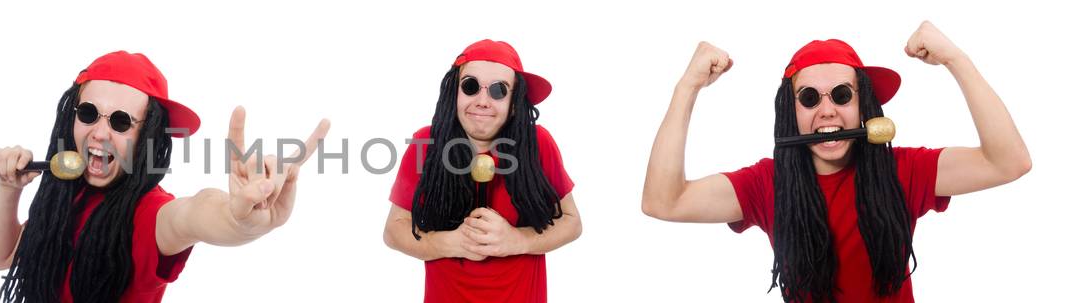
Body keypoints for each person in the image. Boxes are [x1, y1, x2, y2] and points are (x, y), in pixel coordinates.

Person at [640, 21, 1031, 302]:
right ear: (791, 114)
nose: (827, 111)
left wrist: (956, 59)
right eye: (810, 98)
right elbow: (663, 201)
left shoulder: (904, 171)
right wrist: (687, 86)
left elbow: (1009, 162)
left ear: (864, 105)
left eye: (842, 95)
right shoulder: (766, 184)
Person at [0, 50, 331, 303]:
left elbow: (194, 214)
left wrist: (241, 220)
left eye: (120, 122)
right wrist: (7, 187)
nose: (100, 134)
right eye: (88, 113)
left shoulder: (151, 214)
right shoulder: (62, 197)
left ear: (148, 136)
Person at [382, 39, 582, 303]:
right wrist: (452, 243)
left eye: (499, 90)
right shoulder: (425, 145)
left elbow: (572, 222)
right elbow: (394, 231)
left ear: (513, 102)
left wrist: (517, 240)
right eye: (470, 87)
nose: (483, 101)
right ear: (454, 93)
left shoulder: (538, 143)